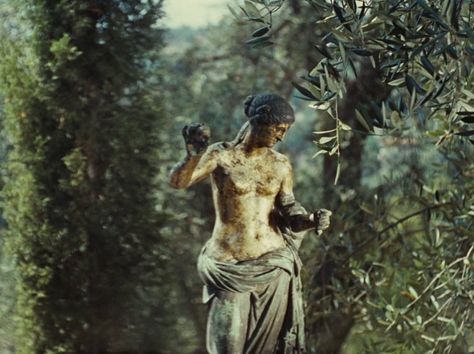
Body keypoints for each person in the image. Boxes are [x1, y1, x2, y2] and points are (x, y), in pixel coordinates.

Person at [169, 93, 331, 354]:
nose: (281, 137)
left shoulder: (280, 164)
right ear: (261, 120)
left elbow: (289, 209)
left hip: (274, 265)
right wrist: (192, 156)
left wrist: (311, 219)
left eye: (286, 131)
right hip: (230, 266)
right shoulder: (221, 155)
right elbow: (179, 182)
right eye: (278, 129)